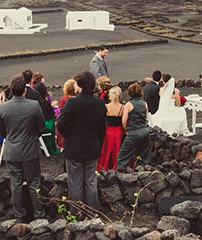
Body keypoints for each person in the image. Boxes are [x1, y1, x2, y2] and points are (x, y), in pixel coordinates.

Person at [0, 76, 46, 221]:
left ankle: (19, 215)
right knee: (34, 182)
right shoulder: (34, 105)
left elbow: (2, 131)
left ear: (11, 90)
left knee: (16, 184)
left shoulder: (4, 108)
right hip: (30, 149)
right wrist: (32, 136)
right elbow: (41, 128)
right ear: (25, 90)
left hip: (12, 150)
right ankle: (39, 213)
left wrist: (12, 138)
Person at [56, 71, 105, 210]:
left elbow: (61, 125)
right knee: (90, 182)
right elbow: (102, 129)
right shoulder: (100, 103)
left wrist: (70, 136)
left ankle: (77, 215)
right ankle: (92, 214)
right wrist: (98, 143)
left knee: (75, 184)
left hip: (75, 148)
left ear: (80, 85)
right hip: (92, 146)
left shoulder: (72, 102)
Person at [116, 81, 151, 171]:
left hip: (134, 131)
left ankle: (121, 169)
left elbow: (124, 121)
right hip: (144, 130)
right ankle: (143, 169)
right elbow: (146, 118)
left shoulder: (128, 104)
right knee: (144, 153)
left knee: (123, 154)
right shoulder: (145, 103)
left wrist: (126, 130)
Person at [98, 86, 125, 171]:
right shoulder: (123, 107)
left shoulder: (106, 107)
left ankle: (105, 167)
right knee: (118, 150)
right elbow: (124, 121)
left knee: (107, 150)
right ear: (120, 96)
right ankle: (118, 166)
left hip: (109, 130)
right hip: (119, 131)